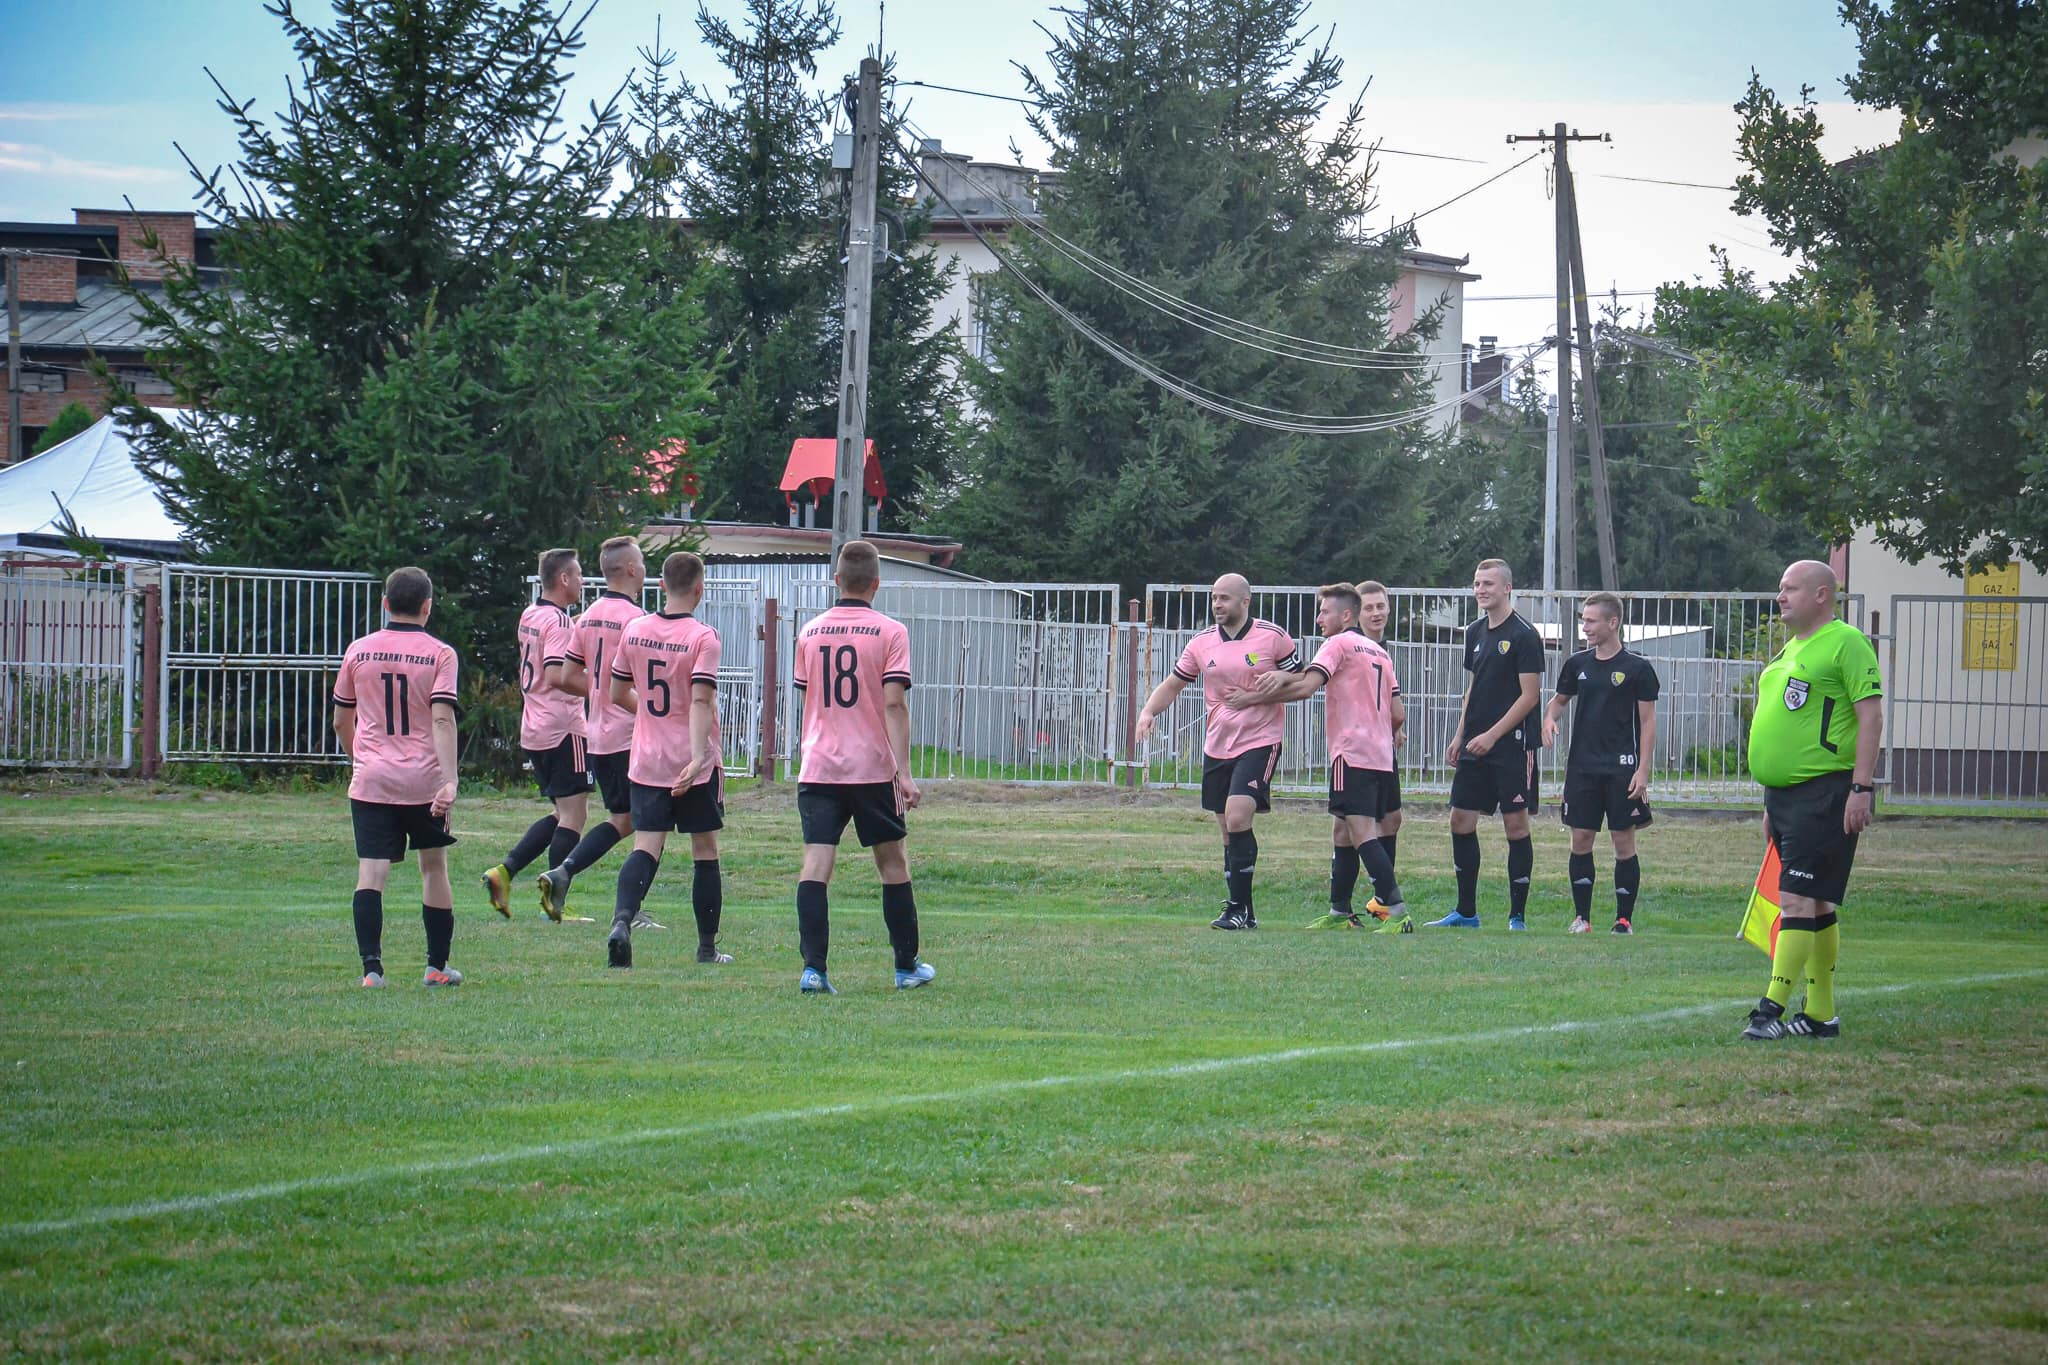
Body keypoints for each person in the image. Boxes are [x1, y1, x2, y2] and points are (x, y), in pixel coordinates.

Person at [1741, 560, 1883, 1041]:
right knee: (1817, 901)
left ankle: (1771, 1008)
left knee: (1797, 897)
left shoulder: (1846, 643)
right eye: (1779, 587)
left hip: (1825, 792)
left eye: (1790, 588)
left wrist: (1861, 788)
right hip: (1784, 797)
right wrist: (1770, 801)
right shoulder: (1791, 648)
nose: (1780, 596)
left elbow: (1871, 718)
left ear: (1823, 594)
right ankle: (1821, 1014)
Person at [790, 539, 933, 994]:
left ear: (837, 580)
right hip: (871, 767)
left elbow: (807, 697)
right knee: (892, 863)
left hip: (819, 766)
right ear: (876, 583)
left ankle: (814, 970)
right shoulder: (891, 632)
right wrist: (904, 771)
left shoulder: (809, 632)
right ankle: (905, 966)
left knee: (816, 863)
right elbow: (894, 702)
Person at [1233, 583, 1414, 932]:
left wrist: (1252, 697)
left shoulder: (1339, 643)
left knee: (1360, 830)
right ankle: (1340, 911)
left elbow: (1306, 687)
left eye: (1324, 612)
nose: (1318, 619)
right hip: (1381, 755)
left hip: (1352, 753)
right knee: (1342, 830)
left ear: (1346, 615)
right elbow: (1397, 713)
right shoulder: (1378, 651)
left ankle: (1396, 911)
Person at [1133, 573, 1302, 930]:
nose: (1217, 605)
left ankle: (1236, 909)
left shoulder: (1273, 637)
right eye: (1213, 598)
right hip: (1218, 744)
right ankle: (1246, 912)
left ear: (1245, 601)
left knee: (1239, 817)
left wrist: (1266, 690)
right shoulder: (1201, 643)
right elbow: (1174, 683)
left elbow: (1303, 682)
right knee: (1228, 832)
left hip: (1260, 739)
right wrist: (1149, 711)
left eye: (1224, 598)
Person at [331, 566, 463, 987]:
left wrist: (362, 759)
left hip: (372, 780)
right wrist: (449, 779)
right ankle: (436, 968)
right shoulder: (440, 653)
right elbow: (442, 719)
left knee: (371, 874)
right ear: (428, 606)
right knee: (433, 868)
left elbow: (340, 721)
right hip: (424, 782)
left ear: (385, 604)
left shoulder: (358, 650)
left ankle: (372, 971)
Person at [603, 551, 732, 969]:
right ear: (699, 589)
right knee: (704, 849)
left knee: (646, 845)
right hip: (692, 762)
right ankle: (707, 949)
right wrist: (697, 756)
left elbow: (617, 692)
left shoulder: (635, 630)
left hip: (647, 758)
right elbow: (700, 698)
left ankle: (622, 922)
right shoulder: (703, 637)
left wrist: (650, 713)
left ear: (662, 586)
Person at [1431, 558, 1545, 930]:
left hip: (1511, 745)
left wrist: (1493, 735)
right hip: (1475, 744)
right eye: (1477, 583)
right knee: (1460, 820)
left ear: (1507, 588)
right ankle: (1466, 912)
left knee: (1515, 825)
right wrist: (1460, 733)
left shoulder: (1526, 635)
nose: (1481, 590)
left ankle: (1517, 916)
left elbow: (1529, 697)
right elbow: (1474, 687)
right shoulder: (1475, 631)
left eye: (1488, 584)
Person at [538, 536, 646, 924]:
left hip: (598, 735)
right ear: (632, 570)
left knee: (625, 819)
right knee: (648, 823)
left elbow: (566, 675)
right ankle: (629, 913)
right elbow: (642, 684)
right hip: (632, 735)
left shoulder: (586, 618)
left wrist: (599, 689)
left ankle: (564, 871)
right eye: (642, 561)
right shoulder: (637, 621)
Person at [481, 548, 591, 921]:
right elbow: (557, 674)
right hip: (562, 727)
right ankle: (553, 901)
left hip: (535, 725)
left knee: (562, 813)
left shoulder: (530, 614)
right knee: (575, 816)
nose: (580, 581)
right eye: (577, 575)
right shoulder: (559, 622)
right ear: (563, 579)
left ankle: (505, 871)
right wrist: (603, 687)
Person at [1541, 592, 1659, 934]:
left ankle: (1623, 920)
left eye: (1591, 620)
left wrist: (1643, 771)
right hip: (1582, 769)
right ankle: (1582, 918)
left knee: (1623, 842)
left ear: (1613, 622)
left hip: (1622, 769)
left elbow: (1648, 722)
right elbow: (1558, 701)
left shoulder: (1638, 668)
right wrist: (1549, 719)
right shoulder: (1577, 664)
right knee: (1581, 840)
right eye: (1583, 620)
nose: (1585, 626)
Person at [1355, 580, 1406, 877]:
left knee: (1390, 819)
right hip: (1359, 748)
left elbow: (1385, 699)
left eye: (1381, 606)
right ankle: (1344, 906)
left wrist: (1394, 729)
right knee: (1349, 825)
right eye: (1368, 607)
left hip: (1382, 745)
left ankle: (1382, 901)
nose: (1376, 613)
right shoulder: (1351, 646)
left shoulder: (1382, 649)